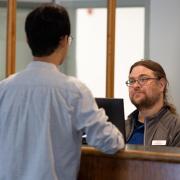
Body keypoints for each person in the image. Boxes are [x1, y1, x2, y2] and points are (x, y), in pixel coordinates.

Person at [0, 3, 124, 180]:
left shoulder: (4, 88)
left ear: (27, 40)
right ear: (64, 40)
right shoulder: (74, 91)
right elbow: (109, 142)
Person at [125, 59, 180, 146]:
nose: (135, 86)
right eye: (132, 81)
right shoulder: (120, 129)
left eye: (143, 79)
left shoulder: (176, 128)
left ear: (161, 85)